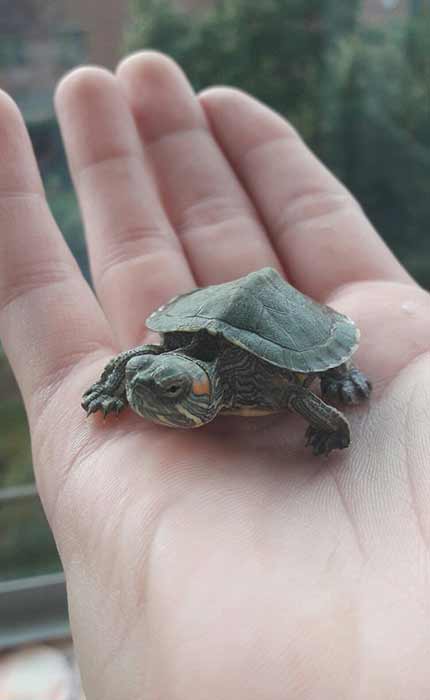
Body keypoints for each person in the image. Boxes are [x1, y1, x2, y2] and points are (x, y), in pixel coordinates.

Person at [1, 51, 430, 698]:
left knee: (320, 374)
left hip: (283, 331)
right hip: (208, 320)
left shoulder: (260, 382)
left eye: (166, 390)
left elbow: (304, 390)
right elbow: (140, 360)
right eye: (154, 381)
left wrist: (332, 417)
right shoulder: (164, 362)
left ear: (199, 391)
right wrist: (121, 379)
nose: (150, 388)